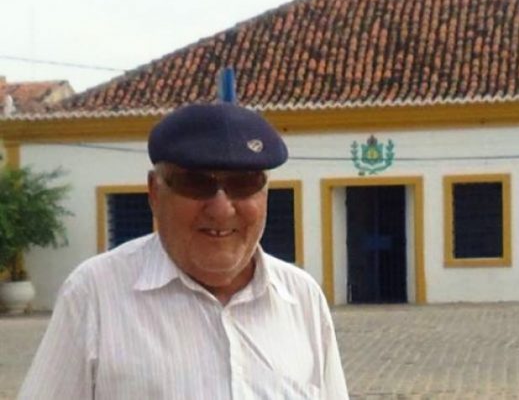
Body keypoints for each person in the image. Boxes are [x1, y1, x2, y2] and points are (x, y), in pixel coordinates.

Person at [19, 103, 348, 399]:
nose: (221, 209)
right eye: (196, 183)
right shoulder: (95, 294)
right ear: (154, 192)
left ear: (264, 193)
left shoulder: (302, 297)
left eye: (243, 183)